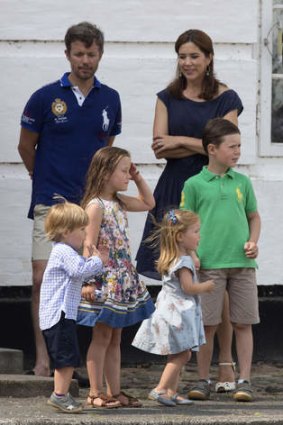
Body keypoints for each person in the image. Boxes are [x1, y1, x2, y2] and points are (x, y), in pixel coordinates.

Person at [135, 28, 243, 389]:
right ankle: (180, 371)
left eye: (195, 55)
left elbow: (225, 146)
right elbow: (159, 149)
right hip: (173, 192)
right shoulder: (166, 96)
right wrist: (202, 144)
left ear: (209, 58)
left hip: (214, 192)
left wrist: (181, 139)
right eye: (182, 55)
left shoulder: (226, 97)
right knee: (177, 282)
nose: (188, 62)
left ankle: (225, 365)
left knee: (217, 279)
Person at [17, 21, 121, 378]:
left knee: (88, 280)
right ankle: (45, 359)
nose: (85, 60)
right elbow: (25, 146)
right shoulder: (45, 97)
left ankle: (74, 361)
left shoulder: (110, 99)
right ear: (67, 54)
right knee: (42, 276)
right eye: (79, 53)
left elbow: (106, 153)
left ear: (100, 55)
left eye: (92, 54)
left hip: (88, 205)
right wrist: (42, 178)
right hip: (52, 201)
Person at [181, 118, 261, 402]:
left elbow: (254, 216)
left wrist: (253, 241)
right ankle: (202, 379)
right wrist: (191, 253)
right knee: (207, 325)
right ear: (212, 149)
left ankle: (245, 380)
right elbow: (182, 223)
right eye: (232, 147)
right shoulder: (194, 185)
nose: (238, 152)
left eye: (240, 146)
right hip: (209, 265)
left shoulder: (243, 182)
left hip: (243, 264)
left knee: (244, 323)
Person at [76, 146, 155, 408]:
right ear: (106, 172)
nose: (128, 176)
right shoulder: (95, 206)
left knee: (115, 338)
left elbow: (148, 203)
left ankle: (115, 390)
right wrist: (88, 280)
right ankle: (94, 391)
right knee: (101, 337)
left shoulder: (119, 202)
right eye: (124, 171)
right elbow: (88, 243)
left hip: (122, 278)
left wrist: (138, 176)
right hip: (104, 279)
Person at [132, 209, 215, 406]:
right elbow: (188, 287)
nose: (199, 236)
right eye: (195, 231)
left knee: (176, 352)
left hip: (168, 309)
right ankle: (160, 388)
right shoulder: (183, 262)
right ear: (179, 236)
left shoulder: (173, 257)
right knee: (184, 353)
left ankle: (171, 391)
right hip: (178, 313)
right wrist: (206, 286)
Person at [39, 201, 106, 413]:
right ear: (66, 231)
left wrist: (95, 293)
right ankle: (59, 395)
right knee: (66, 358)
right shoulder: (63, 251)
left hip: (61, 315)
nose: (86, 234)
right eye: (82, 229)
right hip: (59, 316)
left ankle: (62, 393)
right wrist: (97, 261)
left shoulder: (65, 252)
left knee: (66, 356)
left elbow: (73, 282)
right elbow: (79, 271)